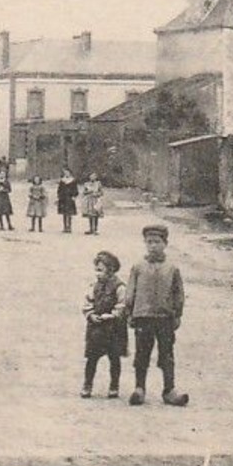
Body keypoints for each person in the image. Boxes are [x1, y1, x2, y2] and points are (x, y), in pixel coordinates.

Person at [124, 224, 188, 406]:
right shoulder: (138, 267)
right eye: (149, 242)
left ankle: (169, 390)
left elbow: (178, 293)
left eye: (157, 242)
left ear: (165, 243)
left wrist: (177, 314)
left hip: (165, 318)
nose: (153, 246)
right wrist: (130, 313)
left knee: (166, 354)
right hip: (143, 317)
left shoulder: (172, 269)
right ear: (145, 243)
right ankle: (139, 388)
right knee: (142, 353)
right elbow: (130, 292)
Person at [81, 250, 128, 399]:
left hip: (113, 328)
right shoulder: (94, 286)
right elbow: (88, 302)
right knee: (92, 358)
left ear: (111, 270)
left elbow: (123, 305)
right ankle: (87, 385)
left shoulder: (120, 287)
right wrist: (91, 314)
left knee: (114, 358)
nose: (97, 274)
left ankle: (114, 386)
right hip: (97, 327)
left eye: (100, 270)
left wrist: (113, 315)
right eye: (96, 270)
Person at [57, 167, 79, 233]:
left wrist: (74, 196)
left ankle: (69, 227)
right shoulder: (62, 180)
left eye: (67, 172)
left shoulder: (73, 180)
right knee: (64, 213)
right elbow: (59, 189)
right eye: (65, 172)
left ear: (70, 173)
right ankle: (64, 227)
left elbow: (75, 189)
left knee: (69, 213)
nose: (66, 174)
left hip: (70, 198)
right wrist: (59, 196)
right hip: (63, 198)